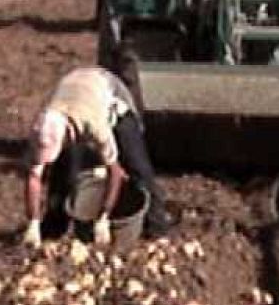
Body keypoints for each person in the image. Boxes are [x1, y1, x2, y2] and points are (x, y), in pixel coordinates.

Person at [23, 66, 170, 247]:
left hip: (111, 95)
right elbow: (33, 177)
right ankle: (51, 231)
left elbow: (115, 172)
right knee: (63, 175)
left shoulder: (95, 124)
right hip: (73, 86)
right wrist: (33, 221)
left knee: (137, 166)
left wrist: (103, 217)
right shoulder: (43, 126)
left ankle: (158, 230)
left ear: (69, 133)